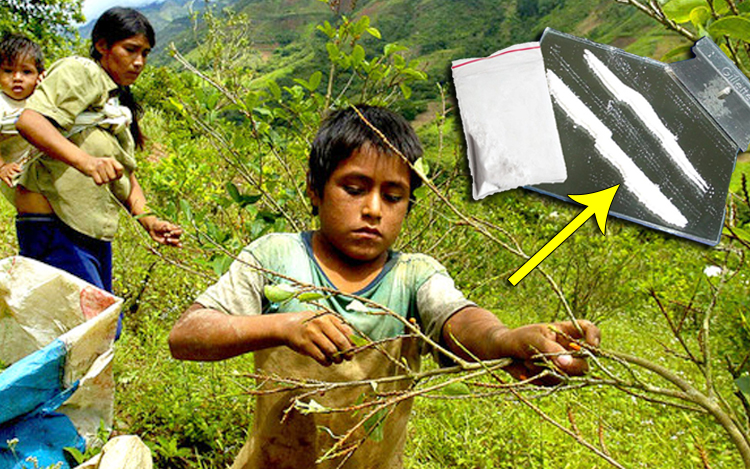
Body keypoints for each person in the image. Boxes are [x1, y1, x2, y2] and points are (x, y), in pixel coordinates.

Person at [168, 105, 601, 469]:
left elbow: (459, 318)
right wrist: (284, 327)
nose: (373, 209)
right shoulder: (274, 257)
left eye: (393, 196)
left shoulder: (414, 276)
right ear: (315, 190)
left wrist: (507, 340)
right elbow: (187, 336)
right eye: (354, 189)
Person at [14, 8, 182, 336]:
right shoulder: (82, 72)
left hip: (86, 229)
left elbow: (124, 174)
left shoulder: (116, 102)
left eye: (145, 53)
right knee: (85, 333)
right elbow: (30, 121)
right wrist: (86, 162)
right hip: (54, 224)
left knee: (93, 332)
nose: (139, 62)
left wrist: (147, 218)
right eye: (130, 50)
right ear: (102, 46)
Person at [0, 33, 44, 205]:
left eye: (26, 72)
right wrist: (2, 167)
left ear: (39, 75)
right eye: (8, 71)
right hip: (11, 172)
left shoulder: (41, 97)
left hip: (42, 167)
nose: (17, 78)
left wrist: (45, 87)